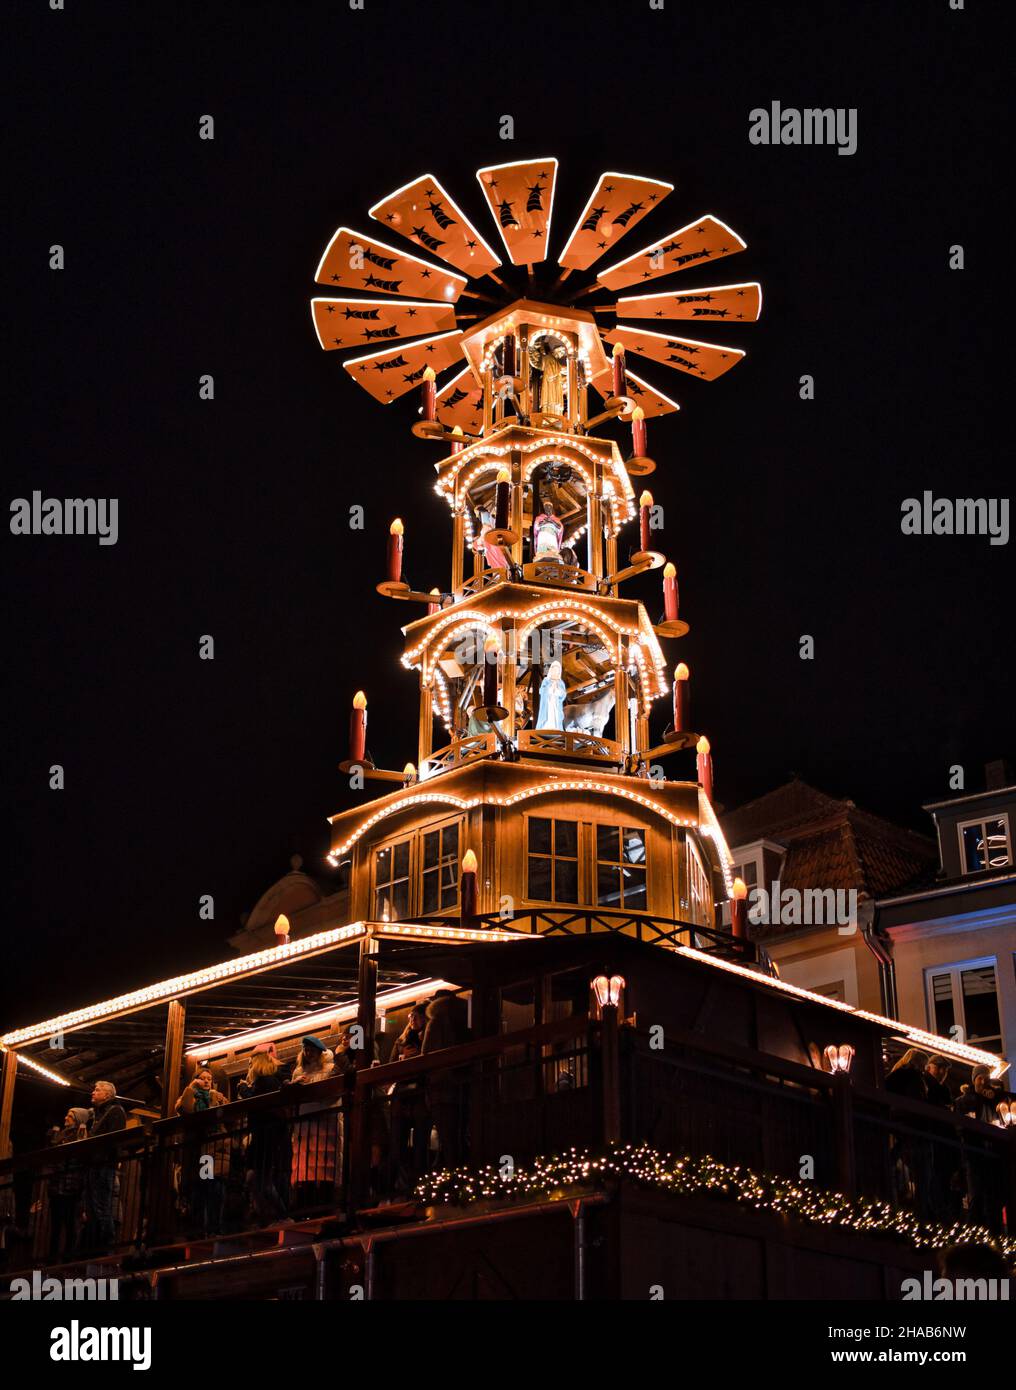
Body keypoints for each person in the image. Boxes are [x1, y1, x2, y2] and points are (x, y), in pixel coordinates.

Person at [238, 1046, 290, 1224]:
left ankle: (280, 1214)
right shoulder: (269, 1081)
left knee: (261, 1179)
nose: (249, 1068)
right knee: (256, 1177)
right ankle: (273, 1214)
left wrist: (244, 1089)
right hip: (265, 1137)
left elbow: (256, 1102)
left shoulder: (266, 1081)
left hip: (266, 1137)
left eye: (251, 1063)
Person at [174, 1068, 229, 1236]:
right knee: (198, 1190)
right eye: (202, 1078)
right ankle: (200, 1229)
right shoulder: (189, 1095)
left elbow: (228, 1114)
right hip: (195, 1151)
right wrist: (190, 1088)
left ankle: (211, 1228)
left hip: (210, 1151)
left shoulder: (217, 1097)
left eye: (209, 1079)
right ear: (195, 1080)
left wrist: (217, 1098)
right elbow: (185, 1109)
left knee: (211, 1187)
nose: (206, 1081)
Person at [290, 1035, 341, 1205]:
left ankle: (325, 1201)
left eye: (311, 1049)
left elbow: (333, 1093)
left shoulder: (331, 1068)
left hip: (327, 1121)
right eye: (305, 1049)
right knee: (305, 1164)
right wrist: (294, 1086)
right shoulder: (298, 1072)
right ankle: (306, 1201)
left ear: (320, 1052)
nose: (308, 1052)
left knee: (326, 1162)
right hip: (305, 1124)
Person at [422, 991, 469, 1168]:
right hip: (463, 1085)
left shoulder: (435, 1022)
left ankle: (449, 1178)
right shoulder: (464, 1021)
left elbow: (425, 1055)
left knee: (446, 1137)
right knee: (461, 1133)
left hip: (440, 1087)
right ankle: (463, 1174)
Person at [79, 1081, 126, 1256]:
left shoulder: (114, 1111)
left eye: (97, 1090)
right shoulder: (98, 1114)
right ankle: (96, 1248)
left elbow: (114, 1140)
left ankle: (105, 1249)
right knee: (94, 1208)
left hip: (103, 1165)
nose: (93, 1092)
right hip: (95, 1165)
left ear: (107, 1095)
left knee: (102, 1208)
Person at [390, 1007, 430, 1189]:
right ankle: (401, 1185)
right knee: (398, 1144)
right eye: (411, 1016)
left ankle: (419, 1185)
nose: (413, 1019)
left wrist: (421, 1053)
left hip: (421, 1093)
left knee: (421, 1143)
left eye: (417, 1016)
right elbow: (390, 1066)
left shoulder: (428, 1038)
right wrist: (403, 1059)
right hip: (402, 1094)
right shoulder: (401, 1040)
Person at [47, 1107, 90, 1262]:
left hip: (71, 1188)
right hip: (58, 1187)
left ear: (78, 1119)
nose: (66, 1118)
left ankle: (66, 1260)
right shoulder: (61, 1135)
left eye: (70, 1116)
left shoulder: (79, 1135)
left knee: (70, 1225)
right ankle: (51, 1260)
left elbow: (79, 1159)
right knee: (56, 1227)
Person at [536, 660, 566, 731]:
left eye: (557, 670)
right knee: (547, 714)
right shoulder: (546, 680)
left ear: (559, 672)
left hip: (556, 704)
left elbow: (563, 694)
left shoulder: (561, 682)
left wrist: (557, 691)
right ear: (551, 670)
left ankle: (555, 728)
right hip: (547, 703)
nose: (555, 671)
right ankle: (545, 727)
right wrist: (550, 688)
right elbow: (541, 691)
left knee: (555, 715)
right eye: (554, 669)